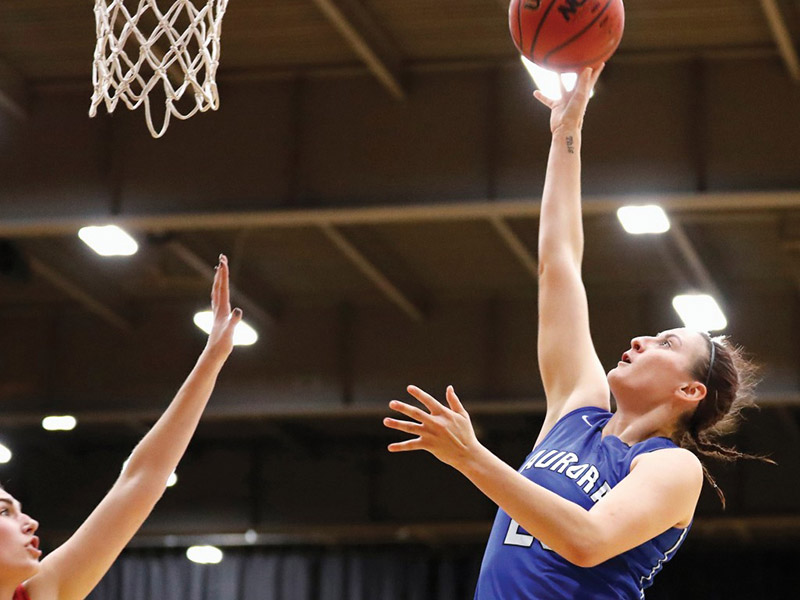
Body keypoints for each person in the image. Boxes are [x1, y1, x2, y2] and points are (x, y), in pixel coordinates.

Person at [383, 66, 767, 599]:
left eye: (666, 344)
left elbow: (586, 541)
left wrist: (471, 455)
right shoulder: (577, 409)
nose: (639, 341)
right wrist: (568, 133)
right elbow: (557, 264)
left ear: (689, 390)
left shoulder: (673, 468)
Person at [1, 254, 242, 600]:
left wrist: (212, 358)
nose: (30, 522)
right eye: (4, 511)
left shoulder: (41, 592)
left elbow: (142, 478)